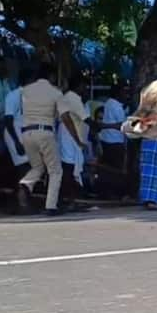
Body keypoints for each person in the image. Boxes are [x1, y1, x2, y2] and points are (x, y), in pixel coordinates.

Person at [16, 64, 83, 216]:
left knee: (37, 167)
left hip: (27, 132)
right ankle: (50, 206)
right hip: (45, 132)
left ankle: (25, 184)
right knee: (55, 170)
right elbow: (65, 118)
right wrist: (77, 139)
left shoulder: (25, 91)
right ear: (52, 76)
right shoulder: (55, 93)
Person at [58, 73, 91, 211]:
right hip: (69, 136)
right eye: (84, 86)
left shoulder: (69, 97)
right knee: (69, 168)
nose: (85, 88)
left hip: (69, 136)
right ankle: (68, 200)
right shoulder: (73, 98)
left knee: (70, 168)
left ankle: (70, 199)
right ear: (78, 86)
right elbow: (86, 119)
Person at [4, 69, 32, 181]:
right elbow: (8, 120)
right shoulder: (14, 95)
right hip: (15, 134)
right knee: (23, 170)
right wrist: (17, 142)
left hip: (25, 134)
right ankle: (21, 196)